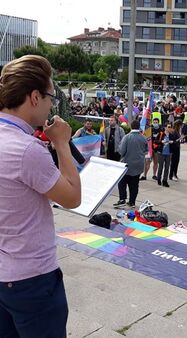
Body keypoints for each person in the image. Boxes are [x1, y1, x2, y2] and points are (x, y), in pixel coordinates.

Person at [0, 55, 81, 337]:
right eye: (50, 97)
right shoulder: (26, 149)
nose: (51, 105)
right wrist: (61, 143)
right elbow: (72, 197)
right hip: (32, 278)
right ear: (35, 97)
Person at [114, 120, 148, 208]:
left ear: (131, 126)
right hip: (138, 165)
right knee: (134, 184)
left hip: (127, 164)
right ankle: (132, 202)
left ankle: (122, 200)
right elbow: (146, 150)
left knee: (122, 183)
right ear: (138, 127)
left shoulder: (126, 137)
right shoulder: (143, 137)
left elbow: (121, 151)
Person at [155, 123, 176, 187]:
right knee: (160, 167)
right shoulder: (161, 134)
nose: (169, 128)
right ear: (165, 127)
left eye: (170, 127)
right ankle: (159, 179)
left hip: (168, 153)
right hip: (161, 153)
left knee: (167, 167)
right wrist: (161, 141)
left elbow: (175, 142)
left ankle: (165, 181)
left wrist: (172, 142)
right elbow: (155, 141)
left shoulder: (171, 135)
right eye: (168, 127)